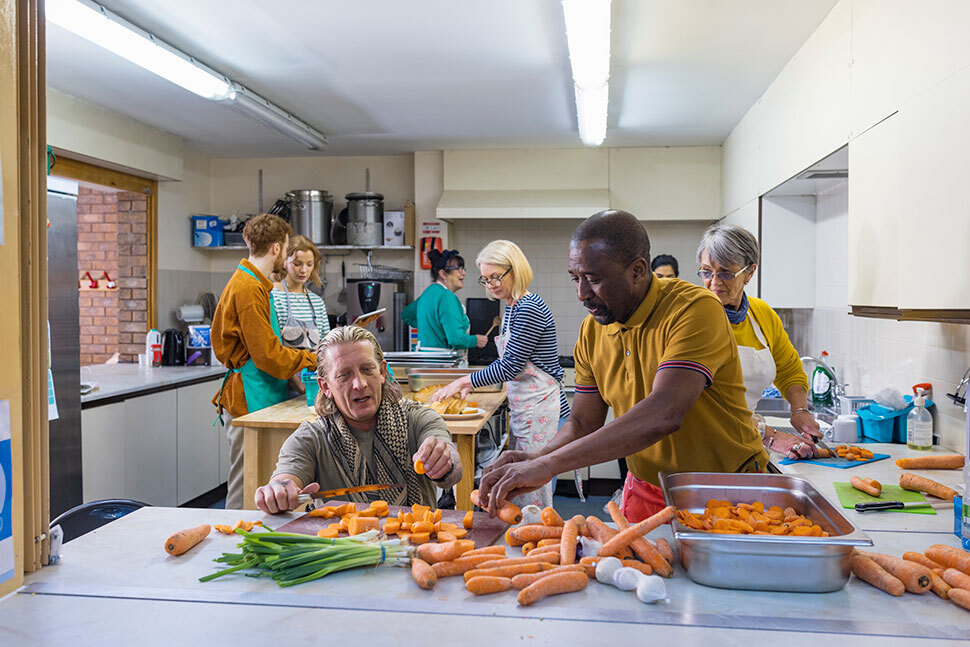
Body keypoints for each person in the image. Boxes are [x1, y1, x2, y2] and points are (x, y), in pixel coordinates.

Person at [477, 210, 769, 522]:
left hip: (723, 490)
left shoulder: (695, 310)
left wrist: (549, 465)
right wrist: (536, 457)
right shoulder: (593, 330)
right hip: (647, 488)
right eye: (576, 278)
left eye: (594, 279)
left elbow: (664, 413)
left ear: (638, 270)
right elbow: (583, 423)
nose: (582, 294)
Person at [254, 326, 462, 514]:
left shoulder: (418, 420)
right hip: (340, 551)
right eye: (344, 375)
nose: (359, 384)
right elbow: (286, 476)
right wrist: (279, 491)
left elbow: (452, 469)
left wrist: (444, 461)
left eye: (367, 369)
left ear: (381, 372)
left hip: (415, 543)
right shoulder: (311, 438)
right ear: (325, 386)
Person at [433, 240, 569, 510]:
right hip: (529, 408)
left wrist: (465, 381)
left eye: (496, 277)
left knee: (534, 491)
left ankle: (539, 546)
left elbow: (510, 366)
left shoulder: (528, 307)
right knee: (524, 485)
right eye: (485, 279)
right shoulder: (512, 307)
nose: (491, 284)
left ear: (515, 269)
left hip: (541, 409)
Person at [212, 213, 316, 509]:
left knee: (262, 482)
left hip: (261, 391)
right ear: (276, 249)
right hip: (248, 395)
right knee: (246, 482)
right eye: (285, 248)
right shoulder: (247, 289)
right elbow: (269, 356)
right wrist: (313, 358)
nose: (286, 254)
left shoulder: (257, 284)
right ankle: (230, 541)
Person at [696, 223, 820, 459]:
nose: (714, 282)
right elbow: (703, 404)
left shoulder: (761, 313)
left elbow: (789, 370)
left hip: (745, 444)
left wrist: (799, 410)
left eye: (726, 273)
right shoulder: (693, 318)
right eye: (706, 271)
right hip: (702, 447)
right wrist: (769, 435)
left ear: (750, 273)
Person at [401, 249, 487, 354]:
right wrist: (476, 340)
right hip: (441, 362)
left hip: (423, 358)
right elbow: (456, 339)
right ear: (443, 274)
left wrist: (433, 328)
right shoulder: (447, 296)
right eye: (459, 269)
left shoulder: (429, 292)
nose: (463, 273)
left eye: (463, 269)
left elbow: (406, 314)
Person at [271, 235, 331, 351]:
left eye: (309, 264)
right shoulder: (274, 297)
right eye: (297, 264)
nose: (304, 270)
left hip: (313, 368)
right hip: (285, 368)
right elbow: (272, 347)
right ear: (284, 262)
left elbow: (326, 345)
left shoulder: (317, 302)